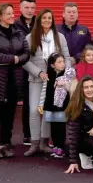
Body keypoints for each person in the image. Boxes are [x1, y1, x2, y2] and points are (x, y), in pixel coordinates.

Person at [23, 8, 71, 157]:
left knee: (47, 110)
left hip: (55, 81)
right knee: (33, 110)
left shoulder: (60, 37)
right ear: (39, 20)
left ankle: (44, 143)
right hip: (37, 79)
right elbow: (25, 60)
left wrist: (64, 75)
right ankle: (34, 143)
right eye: (44, 18)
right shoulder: (30, 37)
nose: (47, 21)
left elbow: (67, 58)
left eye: (49, 18)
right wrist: (38, 72)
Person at [0, 3, 30, 158]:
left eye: (12, 13)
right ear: (0, 16)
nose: (12, 16)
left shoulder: (18, 32)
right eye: (8, 13)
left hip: (14, 79)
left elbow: (26, 52)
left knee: (9, 114)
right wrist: (12, 59)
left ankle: (6, 143)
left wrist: (17, 59)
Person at [37, 53, 74, 158]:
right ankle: (56, 146)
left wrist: (64, 84)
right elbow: (44, 90)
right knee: (53, 126)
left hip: (62, 106)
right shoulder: (49, 75)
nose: (62, 64)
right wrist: (41, 103)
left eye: (63, 61)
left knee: (61, 127)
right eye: (59, 62)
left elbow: (71, 88)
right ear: (52, 65)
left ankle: (61, 147)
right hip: (50, 105)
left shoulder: (67, 74)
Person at [14, 0, 36, 146]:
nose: (29, 10)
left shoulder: (39, 24)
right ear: (20, 9)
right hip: (19, 69)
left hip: (37, 69)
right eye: (26, 7)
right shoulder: (14, 26)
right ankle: (27, 134)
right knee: (26, 103)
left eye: (32, 8)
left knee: (37, 103)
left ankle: (40, 135)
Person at [57, 2, 91, 66]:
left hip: (80, 65)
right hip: (60, 65)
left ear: (77, 14)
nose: (72, 14)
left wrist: (76, 58)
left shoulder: (84, 30)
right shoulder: (56, 30)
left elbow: (88, 48)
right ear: (63, 14)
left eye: (74, 12)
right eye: (69, 12)